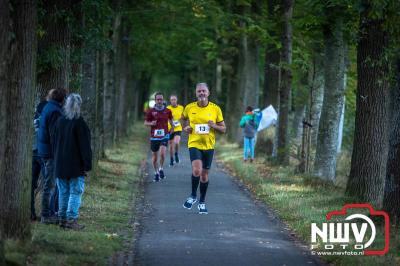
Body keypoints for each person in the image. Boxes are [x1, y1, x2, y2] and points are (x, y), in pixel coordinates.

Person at [181, 83, 226, 214]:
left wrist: (214, 126)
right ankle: (193, 195)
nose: (201, 93)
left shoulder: (215, 109)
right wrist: (185, 127)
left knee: (204, 175)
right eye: (199, 91)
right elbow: (183, 119)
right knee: (197, 170)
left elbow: (223, 129)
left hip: (209, 146)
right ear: (196, 93)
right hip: (194, 143)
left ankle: (202, 201)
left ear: (208, 93)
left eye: (204, 91)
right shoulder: (189, 107)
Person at [54, 94, 92, 230]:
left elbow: (55, 143)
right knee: (75, 192)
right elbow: (85, 147)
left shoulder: (60, 121)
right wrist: (87, 165)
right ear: (79, 105)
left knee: (63, 192)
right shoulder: (80, 123)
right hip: (75, 165)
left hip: (60, 164)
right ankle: (71, 220)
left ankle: (62, 219)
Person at [37, 88, 67, 224]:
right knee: (50, 184)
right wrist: (59, 153)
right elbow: (54, 135)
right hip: (50, 152)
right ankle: (46, 215)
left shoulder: (49, 106)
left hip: (44, 150)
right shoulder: (55, 111)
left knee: (48, 183)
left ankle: (49, 212)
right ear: (62, 99)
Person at [144, 92, 175, 182]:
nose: (159, 101)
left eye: (161, 99)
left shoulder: (168, 111)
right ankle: (156, 172)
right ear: (155, 100)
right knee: (154, 158)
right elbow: (145, 123)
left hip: (164, 135)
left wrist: (172, 127)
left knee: (162, 154)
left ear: (163, 99)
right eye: (158, 99)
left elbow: (171, 120)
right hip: (154, 137)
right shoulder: (151, 111)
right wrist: (151, 123)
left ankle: (161, 168)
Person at [31, 99, 47, 221]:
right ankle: (46, 213)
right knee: (48, 184)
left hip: (32, 152)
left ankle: (31, 212)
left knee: (31, 185)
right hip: (42, 153)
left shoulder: (33, 118)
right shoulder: (45, 119)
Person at [167, 94, 184, 166]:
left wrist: (181, 122)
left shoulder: (181, 108)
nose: (173, 101)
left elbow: (183, 117)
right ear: (170, 101)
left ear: (177, 100)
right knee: (171, 146)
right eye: (172, 100)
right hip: (170, 129)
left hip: (178, 128)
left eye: (174, 99)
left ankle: (176, 154)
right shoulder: (168, 108)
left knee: (176, 142)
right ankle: (171, 159)